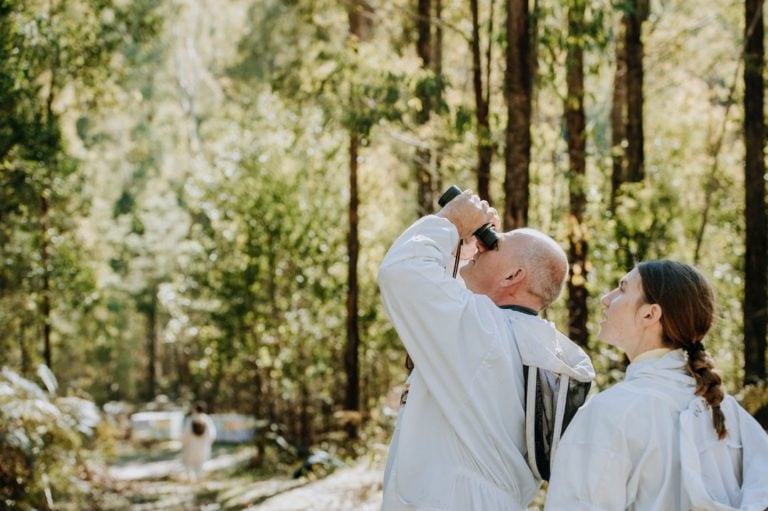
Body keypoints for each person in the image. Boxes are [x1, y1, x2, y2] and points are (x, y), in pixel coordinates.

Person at [377, 190, 594, 510]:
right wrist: (461, 249)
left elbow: (401, 271)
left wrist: (451, 221)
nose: (482, 244)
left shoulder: (485, 333)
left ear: (513, 275)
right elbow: (450, 299)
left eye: (495, 243)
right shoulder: (528, 344)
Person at [546, 260, 768, 510]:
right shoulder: (730, 413)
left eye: (621, 289)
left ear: (650, 314)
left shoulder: (612, 411)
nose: (606, 299)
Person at [180, 401, 217, 482]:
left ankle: (191, 479)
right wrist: (208, 443)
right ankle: (200, 479)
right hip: (203, 446)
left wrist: (184, 443)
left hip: (191, 446)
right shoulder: (207, 420)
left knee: (189, 463)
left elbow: (185, 434)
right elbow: (212, 434)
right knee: (201, 463)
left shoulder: (190, 420)